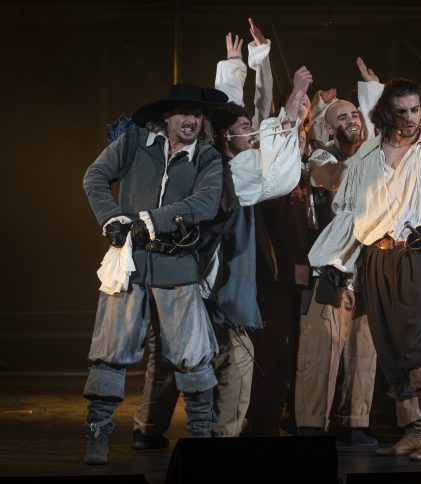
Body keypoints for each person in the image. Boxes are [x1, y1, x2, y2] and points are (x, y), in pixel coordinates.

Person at [131, 23, 311, 444]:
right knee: (205, 354)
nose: (254, 131)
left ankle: (176, 429)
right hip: (199, 278)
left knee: (197, 353)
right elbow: (268, 150)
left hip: (210, 276)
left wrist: (243, 66)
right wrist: (294, 94)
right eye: (244, 127)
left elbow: (247, 118)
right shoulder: (223, 170)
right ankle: (203, 432)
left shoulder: (218, 161)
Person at [309, 78, 421, 460]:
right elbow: (347, 209)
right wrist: (336, 260)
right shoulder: (367, 155)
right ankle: (413, 430)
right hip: (376, 258)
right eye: (401, 111)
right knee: (389, 346)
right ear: (386, 113)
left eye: (415, 110)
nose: (409, 118)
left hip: (416, 258)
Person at [82, 83, 228, 464]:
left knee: (193, 356)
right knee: (109, 352)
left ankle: (200, 440)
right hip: (128, 265)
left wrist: (148, 221)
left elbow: (205, 203)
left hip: (177, 267)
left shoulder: (207, 158)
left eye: (198, 114)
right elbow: (94, 177)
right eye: (184, 112)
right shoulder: (134, 143)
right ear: (167, 116)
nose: (192, 120)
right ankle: (97, 437)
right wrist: (113, 219)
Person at [294, 93, 378, 446]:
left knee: (363, 351)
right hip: (331, 271)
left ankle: (354, 421)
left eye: (355, 115)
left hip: (366, 269)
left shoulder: (372, 157)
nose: (352, 121)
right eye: (342, 118)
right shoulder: (323, 158)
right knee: (321, 350)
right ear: (328, 128)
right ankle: (311, 424)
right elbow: (334, 180)